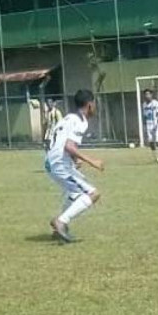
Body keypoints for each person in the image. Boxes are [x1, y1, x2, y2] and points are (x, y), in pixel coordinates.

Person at [44, 89, 105, 243]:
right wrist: (92, 161)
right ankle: (61, 221)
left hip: (52, 161)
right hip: (59, 163)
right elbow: (69, 146)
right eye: (94, 103)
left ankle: (59, 223)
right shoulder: (80, 121)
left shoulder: (68, 117)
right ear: (90, 105)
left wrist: (74, 160)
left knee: (75, 193)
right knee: (93, 194)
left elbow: (62, 142)